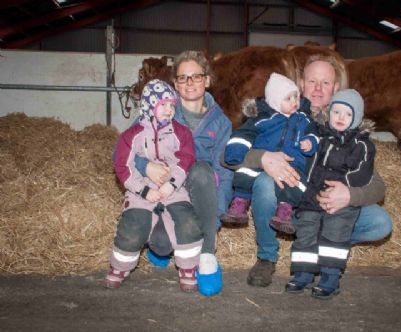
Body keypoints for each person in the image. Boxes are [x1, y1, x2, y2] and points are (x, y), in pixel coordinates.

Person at [224, 54, 392, 288]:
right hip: (290, 208)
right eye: (312, 81)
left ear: (335, 88)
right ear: (301, 84)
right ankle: (267, 257)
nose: (318, 89)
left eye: (325, 83)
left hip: (327, 209)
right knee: (264, 183)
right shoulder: (277, 113)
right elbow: (229, 157)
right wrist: (262, 158)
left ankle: (322, 244)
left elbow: (377, 186)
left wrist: (350, 195)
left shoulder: (344, 125)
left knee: (380, 222)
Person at [132, 51, 233, 296]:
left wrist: (216, 217)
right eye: (183, 78)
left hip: (202, 190)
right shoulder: (159, 110)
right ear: (175, 83)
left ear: (207, 80)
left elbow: (225, 171)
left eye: (196, 76)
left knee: (200, 169)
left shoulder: (221, 122)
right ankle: (166, 241)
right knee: (161, 245)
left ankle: (207, 254)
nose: (190, 83)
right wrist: (146, 166)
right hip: (167, 192)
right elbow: (127, 149)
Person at [106, 79, 203, 292]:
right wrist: (143, 189)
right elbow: (123, 165)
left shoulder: (181, 132)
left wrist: (172, 185)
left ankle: (188, 268)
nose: (169, 110)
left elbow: (185, 159)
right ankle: (120, 267)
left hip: (173, 188)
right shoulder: (132, 135)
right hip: (141, 189)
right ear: (150, 106)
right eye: (163, 105)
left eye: (171, 105)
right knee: (133, 224)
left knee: (187, 222)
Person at [286, 88, 375, 299]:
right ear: (329, 113)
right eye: (336, 112)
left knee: (334, 234)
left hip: (341, 198)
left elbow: (364, 172)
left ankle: (330, 278)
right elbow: (308, 162)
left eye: (348, 114)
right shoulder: (320, 136)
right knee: (306, 229)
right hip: (313, 194)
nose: (341, 118)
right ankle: (303, 273)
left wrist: (344, 187)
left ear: (357, 119)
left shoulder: (362, 145)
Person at [221, 72, 318, 234]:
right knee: (245, 172)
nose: (295, 102)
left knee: (296, 183)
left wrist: (311, 142)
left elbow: (313, 132)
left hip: (293, 163)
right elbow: (245, 133)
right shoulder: (263, 118)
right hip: (264, 160)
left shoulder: (304, 119)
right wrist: (237, 148)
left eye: (297, 97)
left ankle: (285, 212)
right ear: (275, 102)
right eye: (289, 98)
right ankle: (240, 202)